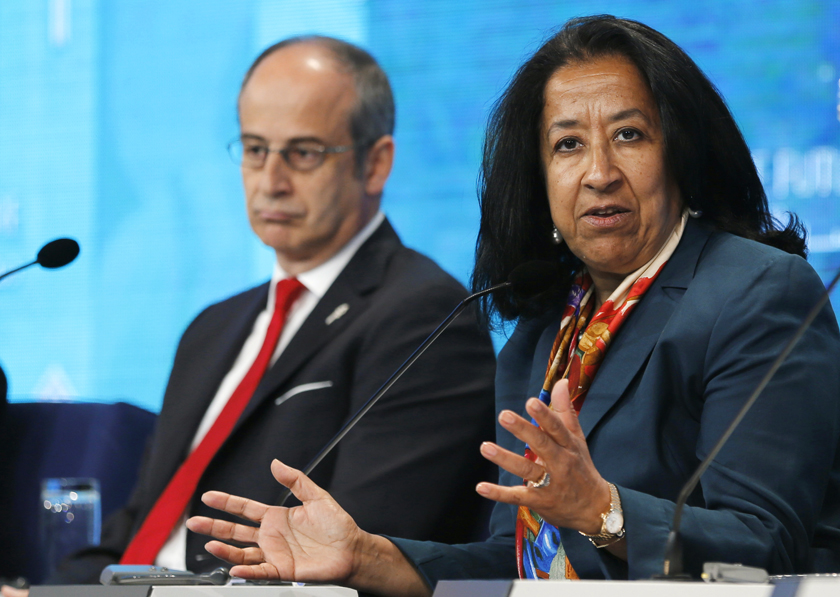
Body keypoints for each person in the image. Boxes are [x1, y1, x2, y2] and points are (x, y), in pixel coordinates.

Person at [184, 15, 840, 595]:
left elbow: (763, 544)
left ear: (683, 150)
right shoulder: (541, 329)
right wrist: (364, 555)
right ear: (539, 175)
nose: (599, 172)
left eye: (630, 135)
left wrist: (604, 509)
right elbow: (521, 565)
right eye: (568, 144)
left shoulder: (757, 291)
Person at [30, 35, 497, 587]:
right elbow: (141, 526)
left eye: (303, 154)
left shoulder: (427, 317)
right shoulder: (212, 327)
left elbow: (361, 547)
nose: (271, 181)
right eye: (255, 149)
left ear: (376, 164)